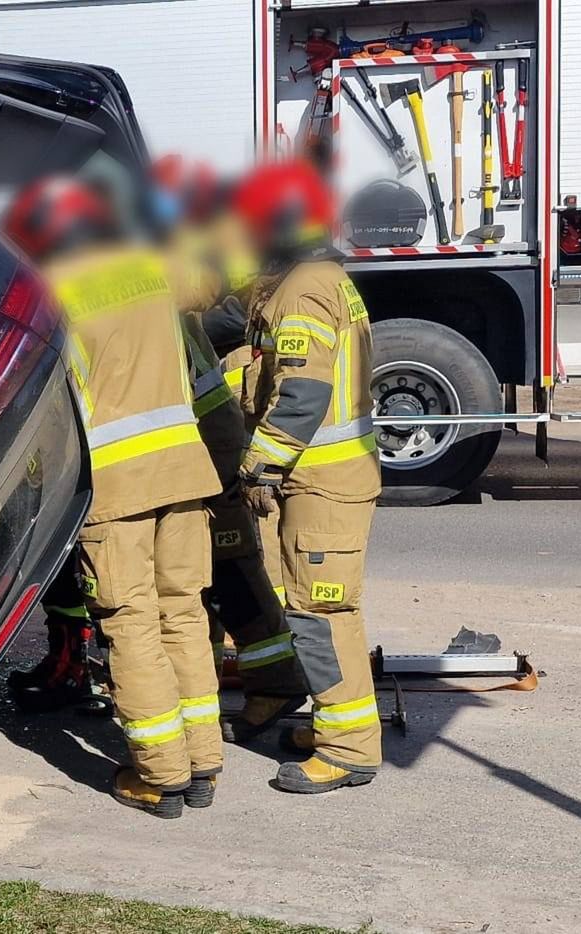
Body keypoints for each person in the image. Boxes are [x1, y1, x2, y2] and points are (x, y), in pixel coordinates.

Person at [4, 176, 225, 818]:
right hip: (185, 475)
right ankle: (204, 760)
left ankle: (160, 775)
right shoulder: (153, 269)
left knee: (130, 627)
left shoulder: (54, 293)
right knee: (182, 613)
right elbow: (212, 282)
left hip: (119, 486)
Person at [228, 160, 384, 794]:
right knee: (318, 608)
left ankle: (347, 750)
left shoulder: (303, 289)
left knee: (322, 613)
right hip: (328, 475)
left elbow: (302, 392)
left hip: (321, 479)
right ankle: (334, 727)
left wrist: (261, 462)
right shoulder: (325, 278)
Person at [152, 154, 310, 741]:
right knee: (222, 554)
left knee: (223, 554)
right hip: (201, 419)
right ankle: (267, 674)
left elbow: (227, 303)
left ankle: (276, 679)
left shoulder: (160, 259)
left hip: (199, 425)